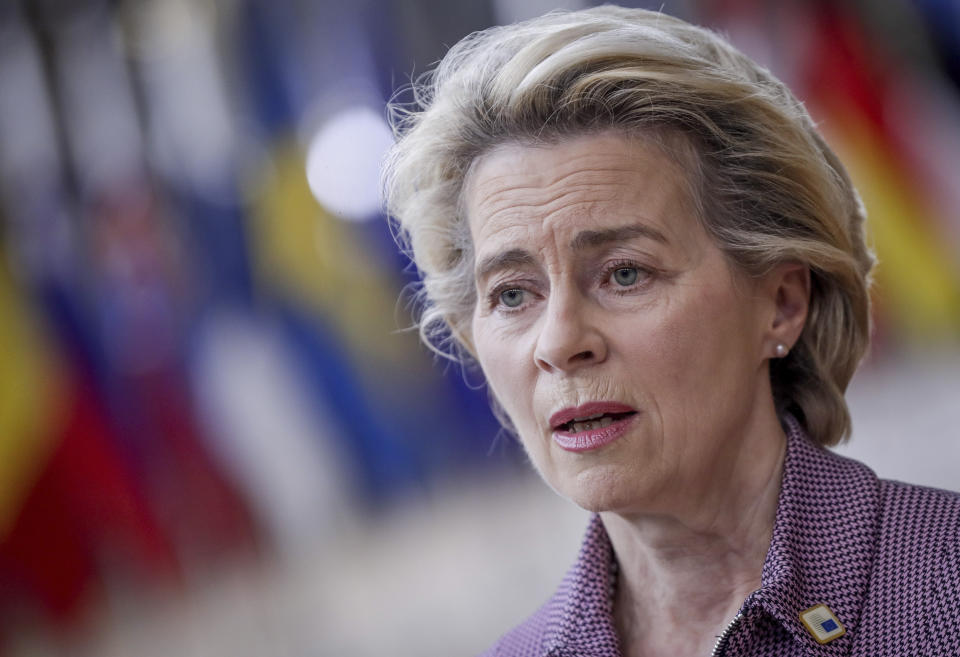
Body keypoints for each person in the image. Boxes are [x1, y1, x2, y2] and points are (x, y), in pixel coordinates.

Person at [382, 6, 960, 656]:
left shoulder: (945, 586)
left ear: (782, 302)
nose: (558, 341)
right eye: (513, 294)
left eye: (625, 274)